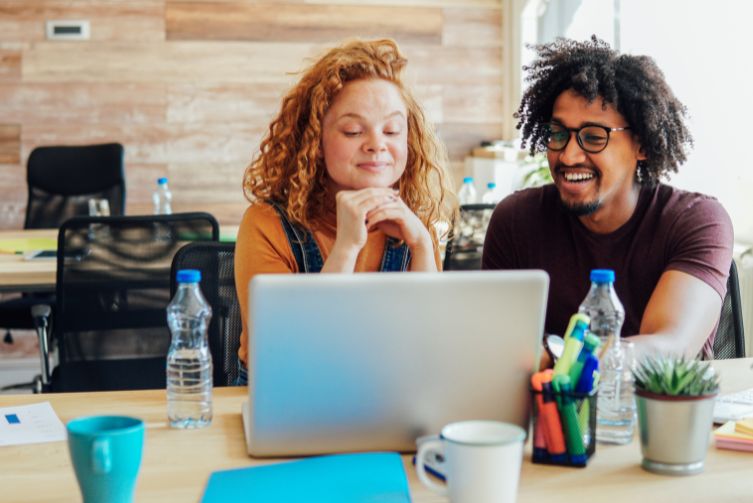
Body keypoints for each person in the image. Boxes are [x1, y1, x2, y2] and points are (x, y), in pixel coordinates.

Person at [482, 36, 733, 360]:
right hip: (547, 410)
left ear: (641, 144)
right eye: (558, 134)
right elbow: (494, 345)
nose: (569, 155)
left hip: (657, 411)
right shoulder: (516, 220)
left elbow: (668, 348)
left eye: (593, 137)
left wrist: (557, 356)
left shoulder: (695, 220)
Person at [234, 39, 455, 384]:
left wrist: (423, 246)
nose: (377, 144)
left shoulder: (414, 227)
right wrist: (347, 247)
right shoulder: (265, 224)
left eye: (392, 130)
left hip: (387, 403)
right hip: (288, 403)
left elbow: (431, 351)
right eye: (353, 130)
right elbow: (279, 355)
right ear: (315, 140)